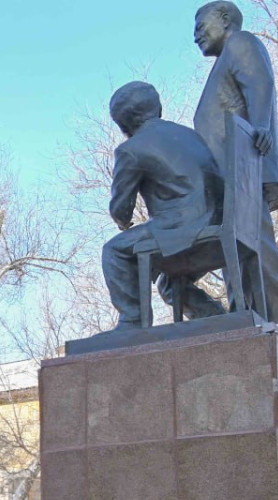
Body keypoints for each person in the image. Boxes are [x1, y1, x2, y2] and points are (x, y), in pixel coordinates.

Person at [192, 0, 278, 332]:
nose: (195, 35)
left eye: (200, 25)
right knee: (237, 260)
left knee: (258, 255)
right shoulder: (223, 60)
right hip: (225, 179)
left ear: (224, 18)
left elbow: (260, 84)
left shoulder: (241, 42)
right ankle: (240, 327)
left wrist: (260, 127)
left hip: (242, 171)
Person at [101, 81, 226, 330]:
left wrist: (123, 222)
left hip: (185, 229)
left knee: (115, 251)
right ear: (157, 108)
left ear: (123, 123)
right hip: (222, 223)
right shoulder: (190, 136)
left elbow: (121, 208)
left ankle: (132, 321)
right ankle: (213, 315)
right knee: (168, 283)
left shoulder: (131, 150)